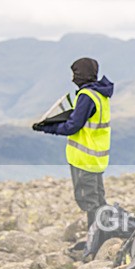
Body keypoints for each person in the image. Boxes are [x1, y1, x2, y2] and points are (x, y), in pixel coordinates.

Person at [33, 58, 114, 236]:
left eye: (75, 73)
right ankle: (104, 235)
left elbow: (72, 126)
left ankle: (96, 241)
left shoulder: (87, 96)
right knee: (98, 200)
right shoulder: (100, 94)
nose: (73, 79)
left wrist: (47, 128)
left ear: (83, 74)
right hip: (97, 158)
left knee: (89, 201)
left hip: (83, 159)